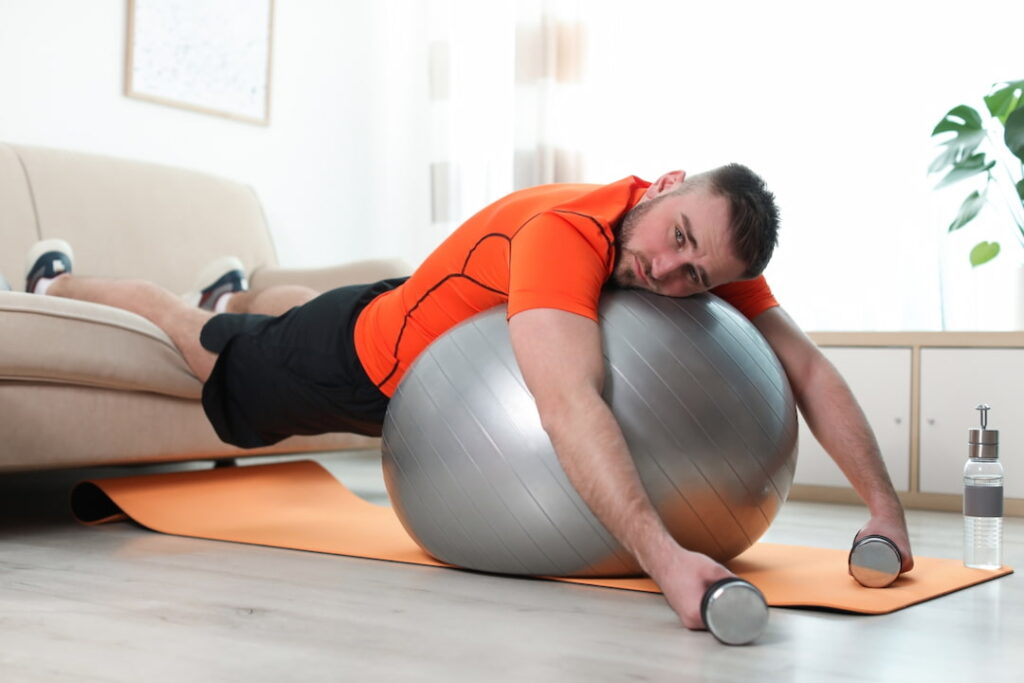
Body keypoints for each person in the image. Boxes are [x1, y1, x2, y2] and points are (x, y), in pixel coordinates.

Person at [23, 164, 914, 631]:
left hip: (417, 320)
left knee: (290, 314)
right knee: (204, 349)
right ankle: (67, 282)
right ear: (668, 184)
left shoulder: (692, 245)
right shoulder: (567, 235)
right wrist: (665, 559)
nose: (670, 272)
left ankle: (239, 299)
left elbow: (804, 367)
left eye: (697, 276)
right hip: (363, 366)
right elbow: (569, 404)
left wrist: (884, 510)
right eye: (677, 240)